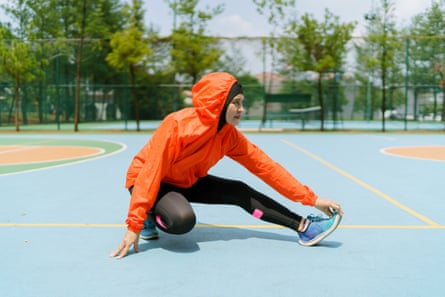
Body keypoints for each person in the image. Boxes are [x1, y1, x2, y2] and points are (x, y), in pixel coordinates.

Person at [111, 72, 343, 259]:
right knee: (182, 220)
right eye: (236, 103)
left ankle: (304, 228)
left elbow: (267, 168)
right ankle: (151, 213)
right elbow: (151, 171)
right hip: (149, 179)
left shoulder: (229, 136)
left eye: (242, 103)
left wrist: (311, 199)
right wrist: (134, 225)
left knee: (239, 190)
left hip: (186, 180)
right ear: (219, 104)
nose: (242, 109)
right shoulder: (177, 125)